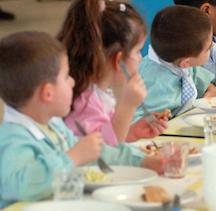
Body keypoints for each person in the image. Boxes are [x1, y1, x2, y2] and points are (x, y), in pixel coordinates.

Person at [0, 31, 164, 208]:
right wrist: (72, 157)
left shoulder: (53, 125)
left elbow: (98, 153)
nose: (72, 82)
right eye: (66, 76)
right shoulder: (12, 138)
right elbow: (25, 186)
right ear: (48, 93)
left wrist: (142, 161)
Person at [58, 0, 168, 145]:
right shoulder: (85, 104)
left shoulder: (94, 93)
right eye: (137, 52)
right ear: (119, 60)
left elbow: (103, 133)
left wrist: (132, 132)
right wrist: (128, 107)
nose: (140, 58)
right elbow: (102, 154)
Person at [133, 5, 216, 122]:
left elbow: (196, 77)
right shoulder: (159, 89)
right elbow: (136, 120)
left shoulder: (175, 60)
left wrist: (215, 91)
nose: (213, 46)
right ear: (186, 62)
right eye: (208, 48)